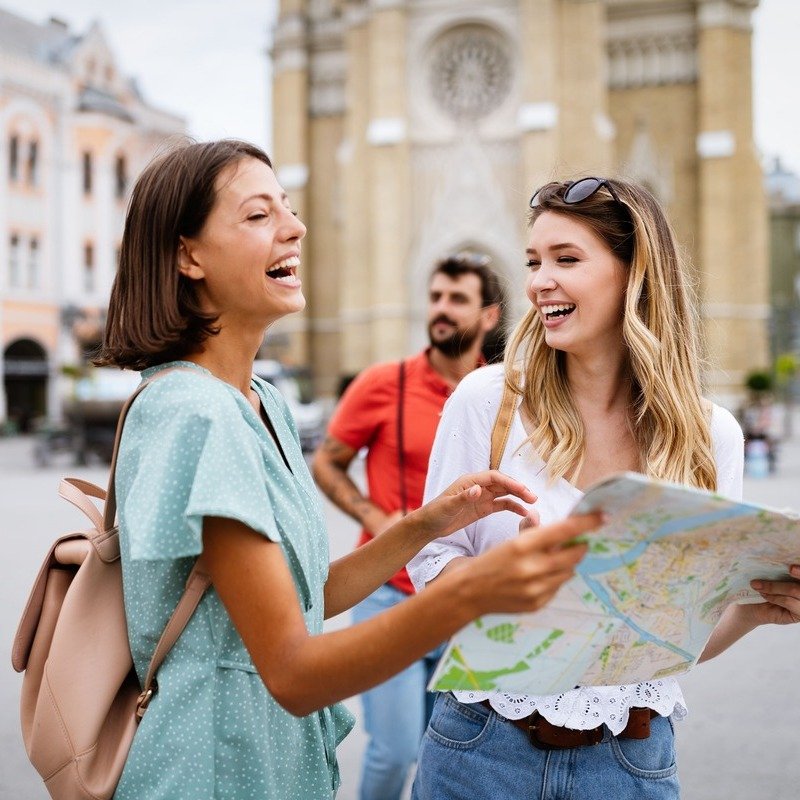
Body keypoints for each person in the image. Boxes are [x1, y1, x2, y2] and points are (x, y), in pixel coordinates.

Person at [95, 139, 603, 800]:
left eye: (289, 208)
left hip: (268, 764)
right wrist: (471, 592)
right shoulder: (197, 413)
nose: (296, 227)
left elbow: (307, 600)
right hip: (212, 771)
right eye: (258, 215)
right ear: (188, 255)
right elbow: (294, 670)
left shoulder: (258, 402)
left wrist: (425, 525)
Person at [407, 176, 800, 800]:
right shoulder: (486, 401)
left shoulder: (711, 436)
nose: (538, 281)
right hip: (482, 750)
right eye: (534, 261)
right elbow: (430, 559)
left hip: (631, 763)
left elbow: (672, 643)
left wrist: (756, 611)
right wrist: (509, 583)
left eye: (566, 259)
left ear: (634, 276)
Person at [311, 252, 502, 800]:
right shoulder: (382, 383)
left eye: (458, 299)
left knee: (451, 757)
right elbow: (327, 460)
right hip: (388, 595)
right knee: (395, 751)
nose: (442, 310)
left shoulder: (504, 394)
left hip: (463, 598)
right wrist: (373, 516)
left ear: (489, 315)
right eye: (436, 296)